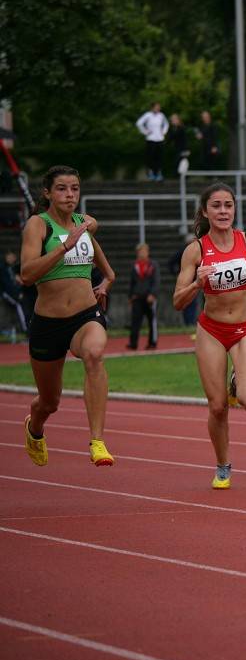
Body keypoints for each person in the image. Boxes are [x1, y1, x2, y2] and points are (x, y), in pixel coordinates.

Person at [172, 182, 246, 489]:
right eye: (216, 206)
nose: (223, 211)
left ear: (234, 209)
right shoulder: (195, 250)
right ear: (205, 211)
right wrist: (197, 284)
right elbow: (177, 301)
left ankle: (237, 381)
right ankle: (223, 465)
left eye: (228, 205)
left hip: (244, 329)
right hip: (211, 330)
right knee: (218, 406)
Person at [19, 165, 116, 467]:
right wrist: (64, 246)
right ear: (47, 192)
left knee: (94, 352)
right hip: (48, 324)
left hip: (85, 315)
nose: (70, 194)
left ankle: (98, 442)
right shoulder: (38, 225)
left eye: (74, 188)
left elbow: (93, 248)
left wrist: (108, 278)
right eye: (62, 188)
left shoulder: (83, 223)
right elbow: (26, 275)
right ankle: (34, 429)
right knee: (49, 402)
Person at [127, 243, 160, 350]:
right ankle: (133, 342)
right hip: (137, 297)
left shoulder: (152, 265)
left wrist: (153, 294)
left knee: (152, 321)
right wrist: (130, 295)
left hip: (149, 298)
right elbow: (132, 282)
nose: (142, 253)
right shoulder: (134, 266)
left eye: (144, 251)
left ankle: (152, 342)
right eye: (140, 251)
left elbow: (156, 281)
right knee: (135, 320)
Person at [168, 233, 199, 327]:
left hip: (195, 279)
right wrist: (176, 274)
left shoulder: (197, 251)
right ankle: (188, 322)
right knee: (187, 301)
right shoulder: (183, 251)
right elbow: (171, 262)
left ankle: (191, 321)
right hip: (187, 280)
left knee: (194, 302)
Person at [135, 102, 169, 181]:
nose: (158, 109)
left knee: (159, 157)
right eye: (156, 107)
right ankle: (151, 174)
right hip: (151, 139)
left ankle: (159, 173)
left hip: (160, 139)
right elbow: (139, 123)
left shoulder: (161, 115)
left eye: (159, 107)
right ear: (152, 108)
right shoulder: (148, 115)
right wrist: (145, 131)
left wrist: (163, 132)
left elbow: (166, 124)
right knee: (151, 157)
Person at [1, 250, 29, 338]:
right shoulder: (3, 267)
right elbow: (6, 284)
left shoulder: (15, 267)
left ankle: (25, 328)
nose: (10, 259)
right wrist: (18, 293)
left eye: (12, 257)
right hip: (6, 292)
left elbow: (19, 281)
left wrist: (20, 291)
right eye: (9, 257)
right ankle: (25, 329)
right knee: (18, 305)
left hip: (17, 291)